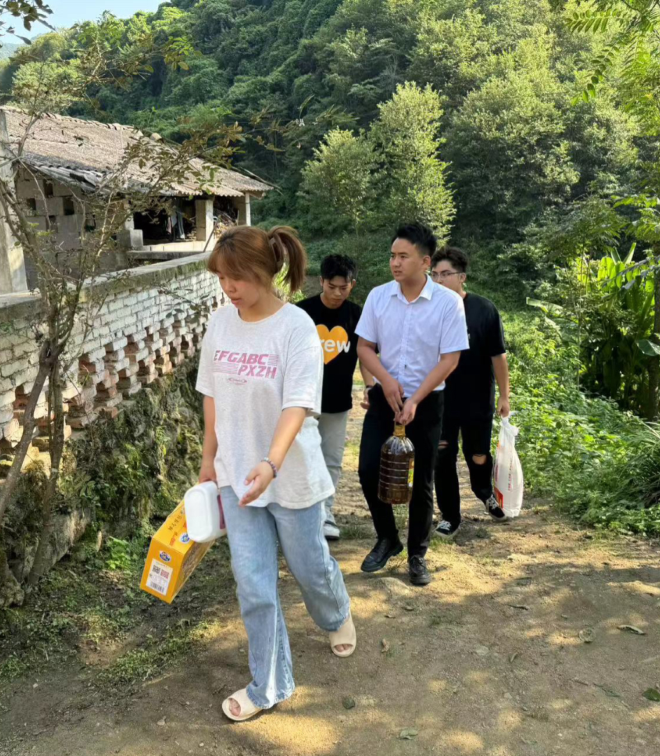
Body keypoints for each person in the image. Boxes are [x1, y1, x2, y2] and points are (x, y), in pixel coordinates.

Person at [196, 225, 356, 722]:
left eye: (237, 277)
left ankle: (335, 612)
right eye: (222, 278)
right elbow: (212, 396)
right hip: (236, 477)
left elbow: (298, 405)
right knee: (254, 585)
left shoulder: (295, 327)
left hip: (291, 475)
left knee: (310, 567)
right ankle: (268, 683)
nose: (229, 288)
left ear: (265, 272)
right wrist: (209, 460)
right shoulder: (220, 324)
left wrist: (271, 464)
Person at [355, 222, 468, 586]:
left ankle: (417, 554)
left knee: (421, 481)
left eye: (403, 256)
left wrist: (416, 398)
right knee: (368, 469)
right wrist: (385, 382)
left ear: (425, 262)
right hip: (384, 397)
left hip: (428, 400)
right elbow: (364, 347)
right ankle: (388, 538)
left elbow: (450, 359)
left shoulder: (448, 303)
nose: (395, 263)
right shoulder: (378, 297)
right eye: (392, 255)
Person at [430, 246, 511, 533]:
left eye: (445, 274)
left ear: (461, 277)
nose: (439, 280)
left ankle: (483, 490)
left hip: (477, 397)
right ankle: (450, 515)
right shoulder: (427, 310)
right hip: (441, 398)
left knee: (478, 454)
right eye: (434, 274)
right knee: (442, 456)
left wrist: (504, 395)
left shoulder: (483, 309)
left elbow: (498, 356)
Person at [296, 254, 374, 541]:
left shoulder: (358, 315)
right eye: (332, 287)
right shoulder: (301, 313)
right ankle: (301, 513)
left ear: (352, 285)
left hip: (338, 402)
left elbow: (366, 355)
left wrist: (370, 386)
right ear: (321, 281)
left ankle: (325, 513)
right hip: (302, 403)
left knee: (331, 459)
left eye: (344, 288)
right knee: (301, 457)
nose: (338, 293)